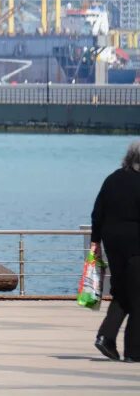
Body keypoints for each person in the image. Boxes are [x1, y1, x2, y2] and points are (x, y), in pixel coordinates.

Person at [91, 139, 140, 362]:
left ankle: (106, 337)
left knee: (123, 292)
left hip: (112, 243)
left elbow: (97, 212)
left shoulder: (113, 178)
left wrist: (95, 241)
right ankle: (134, 352)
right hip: (135, 244)